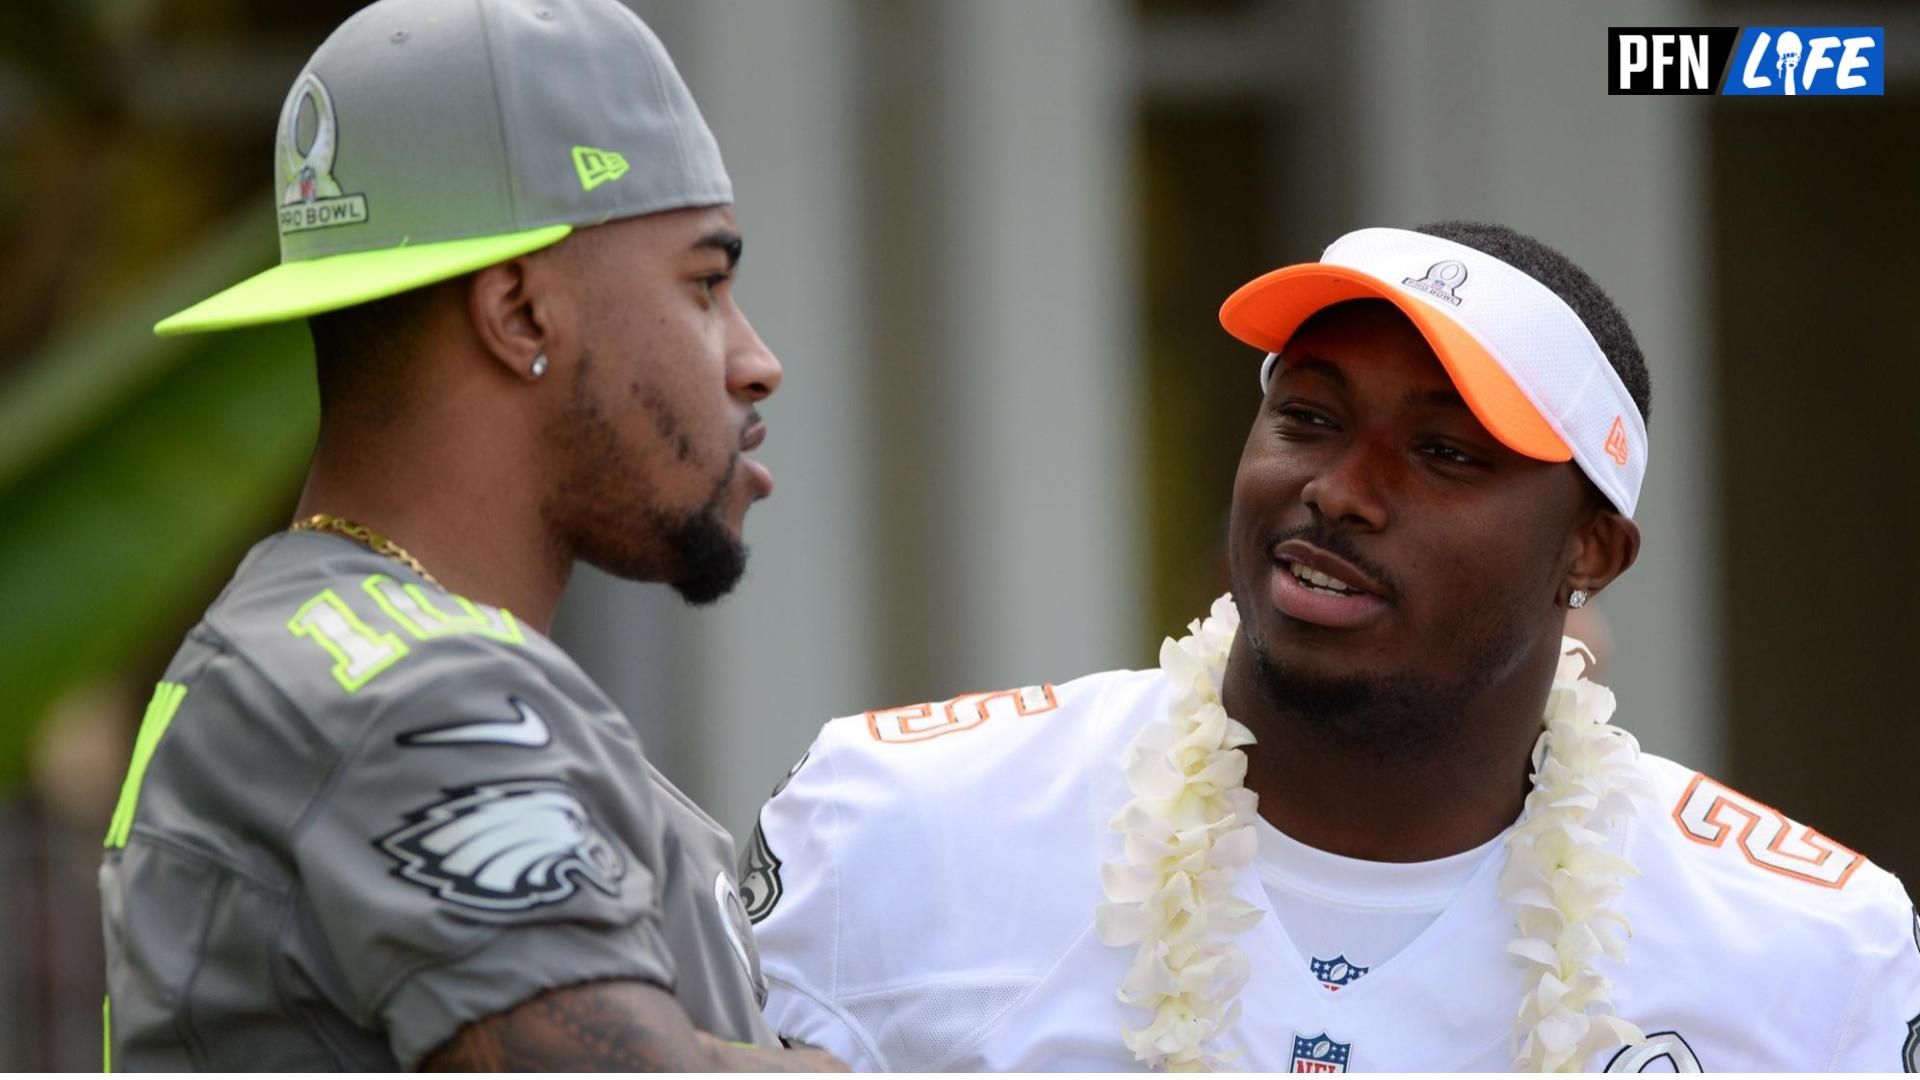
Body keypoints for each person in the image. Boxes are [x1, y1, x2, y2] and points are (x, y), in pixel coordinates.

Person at [745, 223, 1920, 1071]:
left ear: (1592, 552)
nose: (1340, 491)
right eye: (1307, 418)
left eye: (1447, 453)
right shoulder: (895, 818)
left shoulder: (1814, 948)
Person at [98, 0, 840, 1070]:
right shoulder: (399, 685)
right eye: (707, 284)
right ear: (520, 313)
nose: (755, 357)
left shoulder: (327, 655)